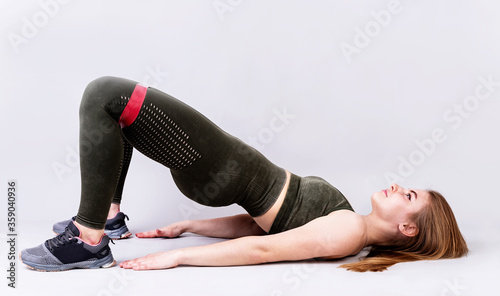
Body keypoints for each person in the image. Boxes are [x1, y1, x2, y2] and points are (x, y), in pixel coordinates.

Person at [20, 76, 468, 272]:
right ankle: (108, 219)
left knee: (104, 93)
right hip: (224, 167)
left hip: (221, 164)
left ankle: (89, 238)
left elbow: (262, 250)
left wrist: (179, 257)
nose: (397, 186)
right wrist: (192, 226)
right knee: (119, 115)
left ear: (407, 228)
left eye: (408, 196)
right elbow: (260, 223)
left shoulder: (348, 230)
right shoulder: (345, 218)